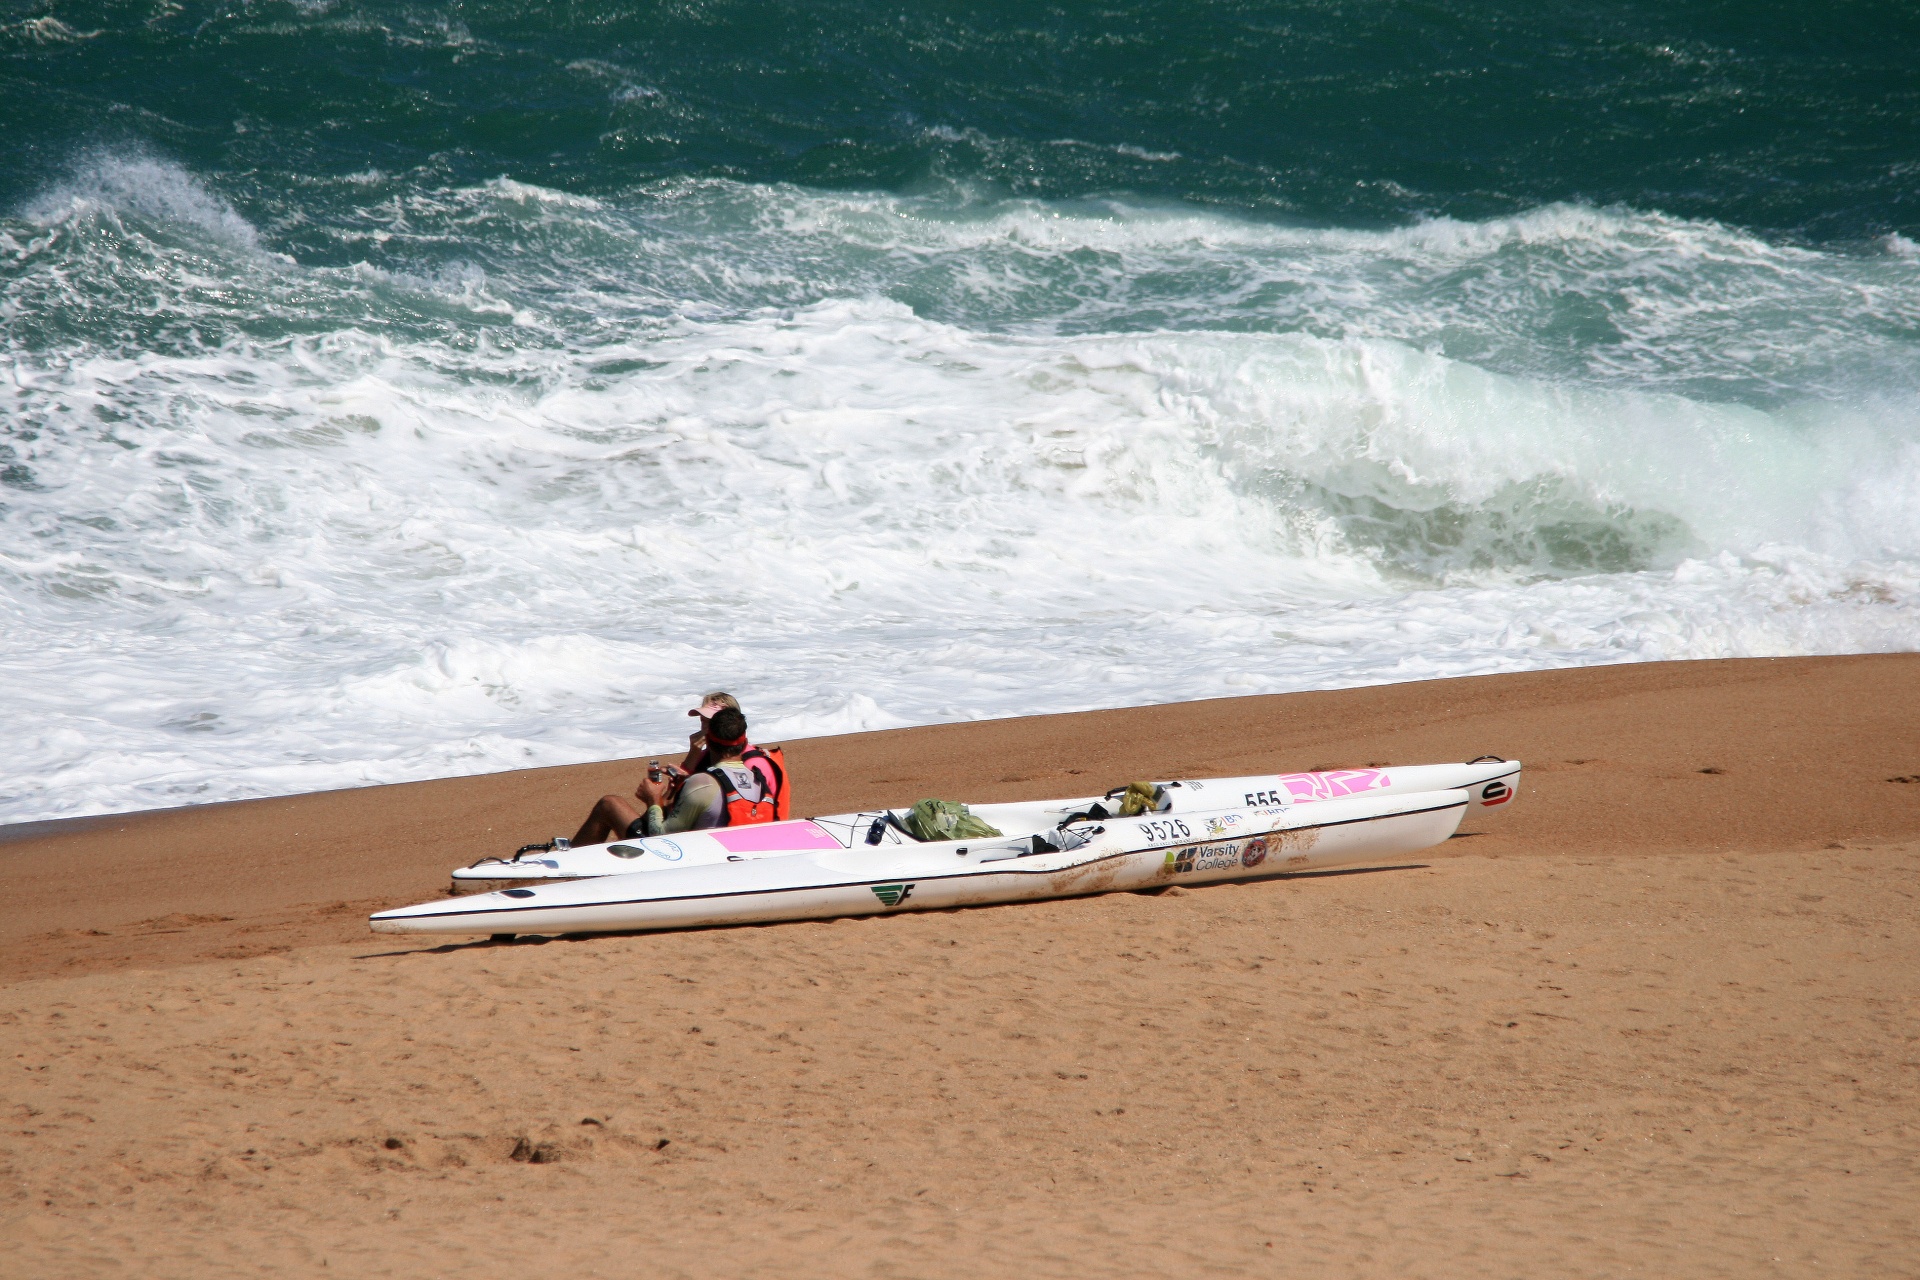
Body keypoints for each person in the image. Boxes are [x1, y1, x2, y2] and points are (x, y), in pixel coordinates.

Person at [569, 706, 783, 846]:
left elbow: (661, 839)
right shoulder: (760, 780)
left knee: (609, 804)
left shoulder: (702, 783)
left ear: (709, 741)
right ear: (744, 743)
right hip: (737, 857)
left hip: (690, 867)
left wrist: (653, 800)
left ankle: (571, 868)